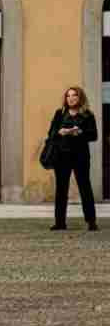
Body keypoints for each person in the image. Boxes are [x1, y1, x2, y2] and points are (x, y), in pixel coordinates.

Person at [48, 86, 98, 231]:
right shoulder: (60, 114)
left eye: (74, 95)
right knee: (61, 189)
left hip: (80, 156)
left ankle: (91, 221)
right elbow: (51, 133)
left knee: (85, 188)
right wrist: (60, 132)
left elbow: (94, 136)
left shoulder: (88, 115)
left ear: (80, 98)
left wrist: (79, 132)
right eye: (68, 96)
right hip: (61, 156)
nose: (71, 98)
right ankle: (60, 222)